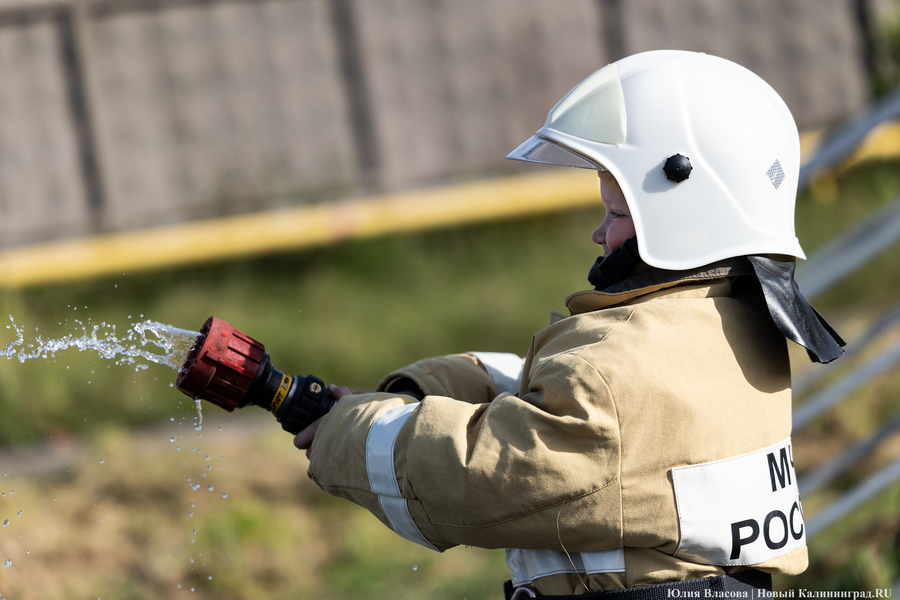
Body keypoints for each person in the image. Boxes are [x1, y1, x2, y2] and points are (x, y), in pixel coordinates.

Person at [293, 50, 845, 599]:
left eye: (616, 214)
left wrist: (348, 429)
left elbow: (473, 477)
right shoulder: (730, 328)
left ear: (683, 210)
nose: (600, 236)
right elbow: (564, 396)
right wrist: (421, 389)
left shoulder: (613, 372)